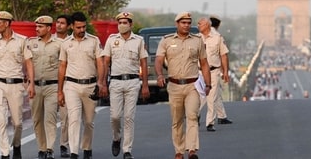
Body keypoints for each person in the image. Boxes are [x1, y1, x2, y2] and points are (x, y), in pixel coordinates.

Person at [155, 12, 211, 159]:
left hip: (192, 85)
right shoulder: (166, 41)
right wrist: (160, 75)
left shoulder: (197, 40)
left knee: (192, 116)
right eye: (183, 23)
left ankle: (192, 150)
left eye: (188, 23)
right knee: (177, 120)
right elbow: (159, 60)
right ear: (177, 24)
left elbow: (204, 63)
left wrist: (208, 84)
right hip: (174, 86)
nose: (186, 25)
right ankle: (179, 151)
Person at [0, 11, 35, 159]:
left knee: (17, 122)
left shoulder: (22, 40)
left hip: (16, 85)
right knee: (1, 119)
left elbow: (28, 62)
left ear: (7, 23)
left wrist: (31, 83)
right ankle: (5, 153)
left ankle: (17, 145)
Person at [101, 12, 149, 159]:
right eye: (120, 22)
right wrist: (102, 82)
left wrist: (145, 85)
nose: (122, 25)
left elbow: (144, 63)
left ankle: (127, 150)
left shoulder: (138, 40)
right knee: (115, 116)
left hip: (133, 82)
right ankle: (116, 138)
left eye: (125, 22)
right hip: (115, 81)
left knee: (129, 117)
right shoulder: (111, 40)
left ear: (130, 24)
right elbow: (105, 62)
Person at [58, 12, 104, 159]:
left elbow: (100, 63)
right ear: (72, 26)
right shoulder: (65, 43)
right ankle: (74, 152)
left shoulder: (94, 41)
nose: (82, 30)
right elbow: (62, 66)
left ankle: (87, 148)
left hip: (90, 86)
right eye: (78, 27)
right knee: (74, 118)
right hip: (71, 85)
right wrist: (60, 91)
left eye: (84, 27)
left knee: (89, 121)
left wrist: (101, 82)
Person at [25, 16, 61, 159]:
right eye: (36, 26)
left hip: (52, 86)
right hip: (35, 86)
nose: (37, 29)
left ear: (48, 28)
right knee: (37, 119)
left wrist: (62, 89)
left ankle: (50, 149)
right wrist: (28, 84)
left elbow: (64, 65)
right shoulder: (31, 43)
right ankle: (42, 147)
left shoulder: (59, 44)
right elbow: (26, 63)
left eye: (40, 27)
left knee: (50, 118)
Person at [197, 17, 232, 132]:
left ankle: (210, 123)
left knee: (212, 97)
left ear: (207, 25)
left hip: (214, 71)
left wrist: (225, 71)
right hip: (199, 72)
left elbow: (223, 55)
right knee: (201, 96)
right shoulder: (196, 39)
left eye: (200, 24)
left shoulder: (217, 38)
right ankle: (195, 114)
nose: (198, 25)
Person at [206, 15, 233, 126]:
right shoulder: (217, 36)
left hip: (202, 70)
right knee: (210, 95)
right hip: (212, 70)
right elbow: (223, 55)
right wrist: (225, 71)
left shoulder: (198, 36)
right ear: (218, 25)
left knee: (214, 94)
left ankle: (221, 116)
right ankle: (208, 121)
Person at [56, 14, 72, 158]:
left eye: (62, 23)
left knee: (65, 117)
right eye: (57, 22)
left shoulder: (71, 42)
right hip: (48, 83)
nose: (59, 25)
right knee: (46, 118)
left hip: (66, 83)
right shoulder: (49, 40)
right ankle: (45, 147)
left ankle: (64, 145)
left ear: (68, 26)